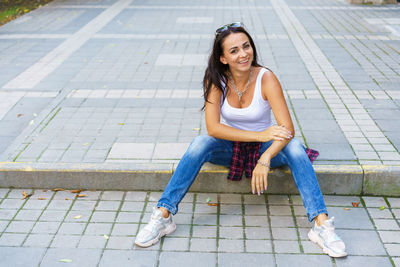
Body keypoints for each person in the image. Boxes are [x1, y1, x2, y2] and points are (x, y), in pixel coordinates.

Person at [134, 22, 347, 258]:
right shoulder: (216, 80)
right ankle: (163, 215)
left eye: (246, 46)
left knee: (295, 148)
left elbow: (287, 129)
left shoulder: (266, 78)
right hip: (230, 149)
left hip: (264, 149)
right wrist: (260, 134)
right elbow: (213, 128)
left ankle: (321, 224)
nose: (243, 54)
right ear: (223, 58)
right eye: (234, 50)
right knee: (199, 144)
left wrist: (265, 157)